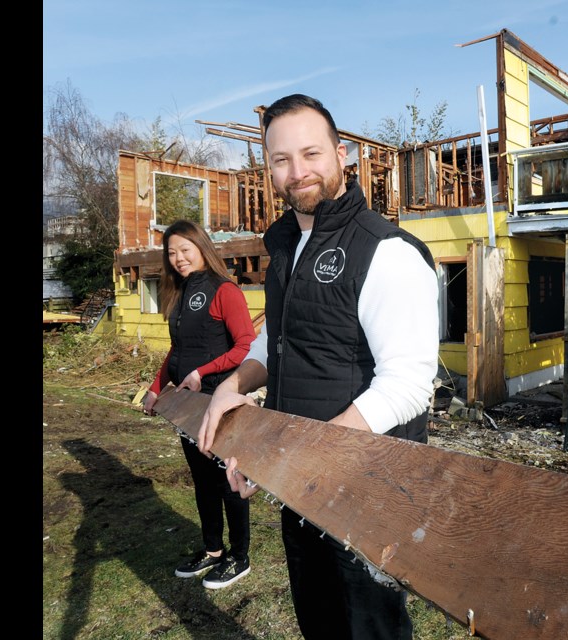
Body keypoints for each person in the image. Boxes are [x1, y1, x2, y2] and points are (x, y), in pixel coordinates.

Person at [197, 94, 439, 639]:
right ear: (267, 167)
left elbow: (407, 385)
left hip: (369, 491)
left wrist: (297, 456)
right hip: (302, 490)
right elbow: (276, 344)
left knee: (370, 630)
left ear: (342, 154)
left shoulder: (388, 252)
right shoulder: (285, 244)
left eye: (311, 153)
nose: (297, 171)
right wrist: (231, 386)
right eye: (281, 159)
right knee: (320, 623)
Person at [142, 219, 256, 590]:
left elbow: (245, 346)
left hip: (220, 400)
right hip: (188, 405)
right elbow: (178, 351)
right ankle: (213, 551)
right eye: (172, 253)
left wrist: (202, 371)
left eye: (185, 250)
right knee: (202, 482)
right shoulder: (179, 293)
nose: (178, 259)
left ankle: (240, 557)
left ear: (202, 247)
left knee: (227, 481)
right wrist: (157, 388)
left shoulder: (225, 291)